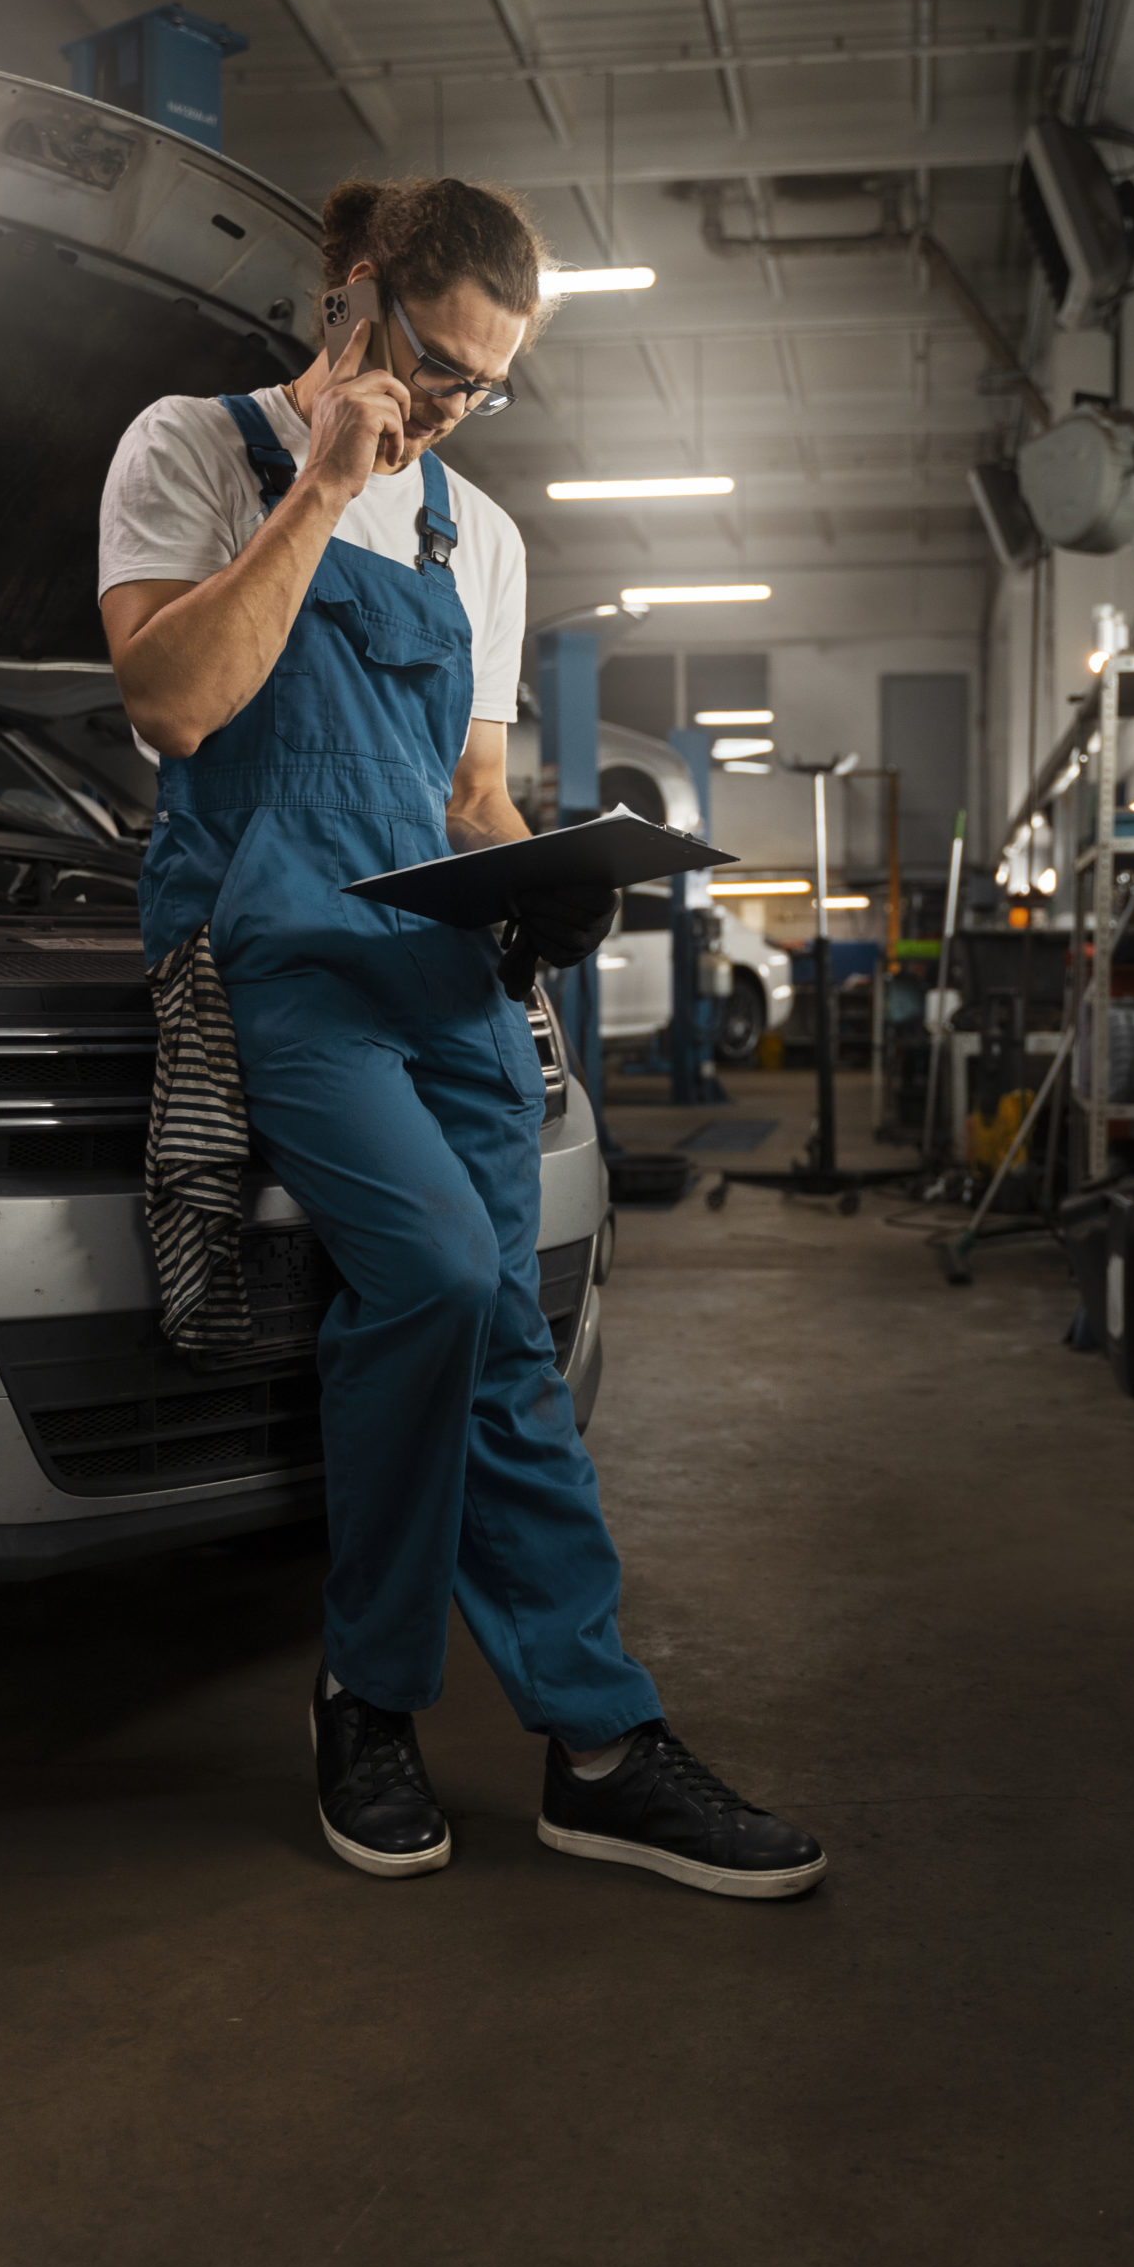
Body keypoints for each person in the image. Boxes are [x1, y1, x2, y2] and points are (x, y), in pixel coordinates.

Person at [99, 173, 825, 1901]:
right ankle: (370, 1680)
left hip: (447, 974)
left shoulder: (475, 536)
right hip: (285, 955)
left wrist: (549, 882)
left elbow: (469, 790)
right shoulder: (192, 450)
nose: (445, 409)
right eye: (432, 364)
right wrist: (329, 481)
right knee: (430, 1273)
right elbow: (174, 699)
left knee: (502, 1332)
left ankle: (597, 1742)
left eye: (482, 390)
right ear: (354, 300)